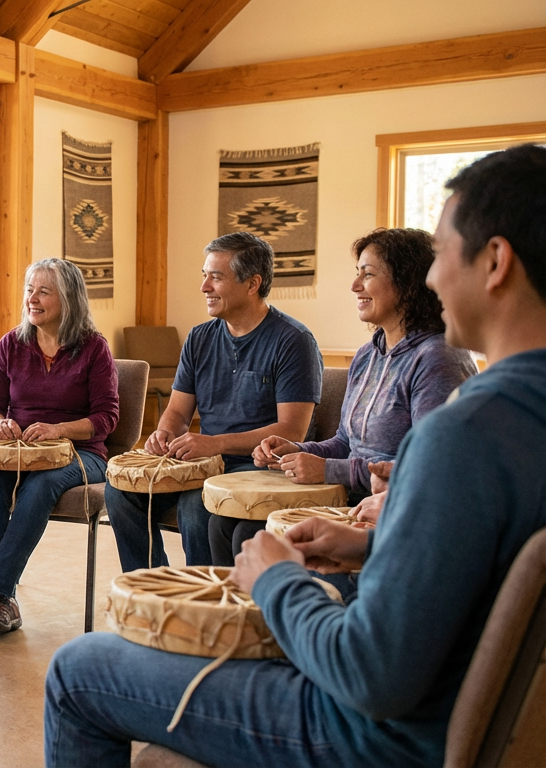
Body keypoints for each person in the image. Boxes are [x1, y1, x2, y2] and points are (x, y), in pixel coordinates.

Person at [44, 144, 546, 767]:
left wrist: (277, 579)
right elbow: (464, 562)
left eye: (442, 253)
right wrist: (367, 545)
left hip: (372, 734)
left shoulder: (462, 432)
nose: (435, 277)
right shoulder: (512, 417)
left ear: (495, 261)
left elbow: (369, 674)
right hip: (434, 704)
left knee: (78, 668)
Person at [206, 228, 479, 565]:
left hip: (389, 507)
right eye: (357, 273)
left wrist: (328, 470)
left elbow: (431, 468)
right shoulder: (366, 355)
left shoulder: (437, 358)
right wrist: (297, 451)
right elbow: (344, 442)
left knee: (248, 534)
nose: (355, 285)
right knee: (222, 524)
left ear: (408, 283)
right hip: (347, 495)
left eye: (368, 274)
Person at [105, 231, 322, 571]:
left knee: (197, 506)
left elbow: (292, 430)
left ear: (252, 284)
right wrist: (164, 433)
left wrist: (215, 443)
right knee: (120, 492)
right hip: (204, 462)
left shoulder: (294, 341)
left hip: (257, 467)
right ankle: (153, 587)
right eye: (204, 275)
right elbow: (177, 412)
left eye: (216, 277)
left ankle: (206, 596)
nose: (204, 286)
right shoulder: (199, 338)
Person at [0, 258, 118, 635]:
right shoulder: (11, 343)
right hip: (20, 452)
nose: (32, 299)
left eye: (44, 291)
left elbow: (107, 418)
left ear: (69, 298)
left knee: (42, 484)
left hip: (83, 454)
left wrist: (59, 430)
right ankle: (3, 601)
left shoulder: (94, 348)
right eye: (29, 290)